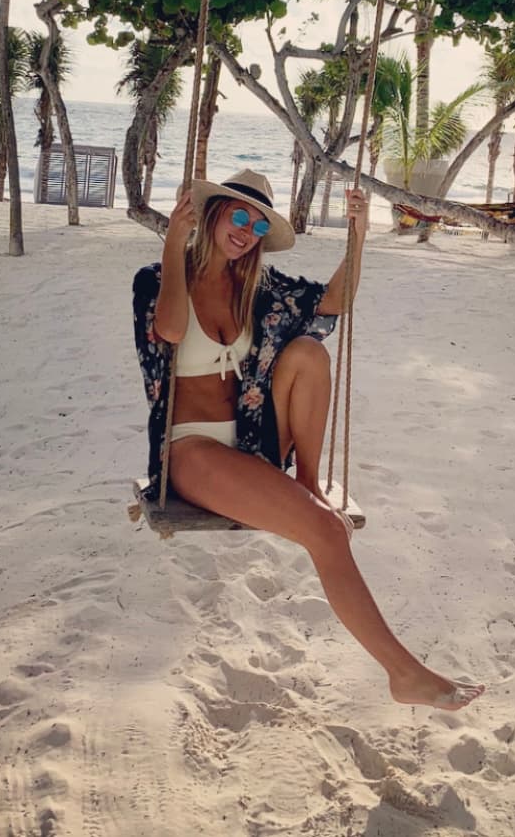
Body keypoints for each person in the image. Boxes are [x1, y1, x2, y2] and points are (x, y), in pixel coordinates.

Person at [132, 168, 483, 712]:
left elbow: (331, 306)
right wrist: (176, 242)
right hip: (191, 448)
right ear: (211, 214)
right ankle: (403, 673)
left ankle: (309, 480)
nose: (246, 230)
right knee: (327, 531)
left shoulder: (260, 289)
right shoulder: (154, 279)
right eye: (238, 215)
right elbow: (172, 331)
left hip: (251, 444)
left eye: (257, 223)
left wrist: (358, 237)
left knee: (309, 352)